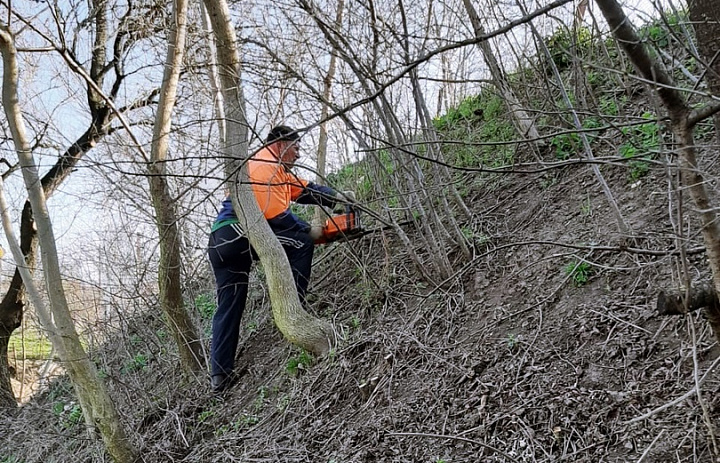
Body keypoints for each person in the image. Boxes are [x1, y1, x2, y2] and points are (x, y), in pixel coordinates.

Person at [207, 125, 352, 393]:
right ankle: (294, 308)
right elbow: (275, 215)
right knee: (302, 243)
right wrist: (309, 231)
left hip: (220, 243)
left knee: (229, 307)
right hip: (237, 234)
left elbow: (306, 190)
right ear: (280, 145)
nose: (298, 154)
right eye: (295, 148)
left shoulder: (277, 172)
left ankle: (220, 376)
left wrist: (337, 199)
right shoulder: (264, 164)